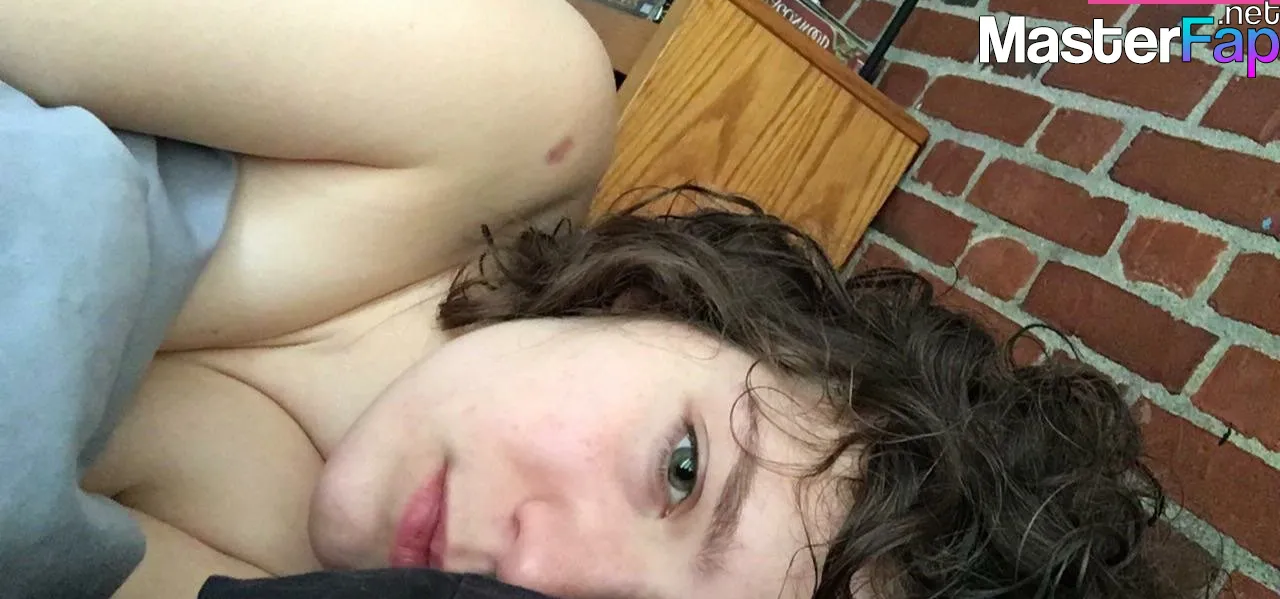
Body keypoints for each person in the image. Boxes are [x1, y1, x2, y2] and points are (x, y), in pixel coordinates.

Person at [0, 2, 1214, 599]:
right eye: (681, 472)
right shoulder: (494, 115)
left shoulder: (266, 566)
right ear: (674, 303)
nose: (539, 568)